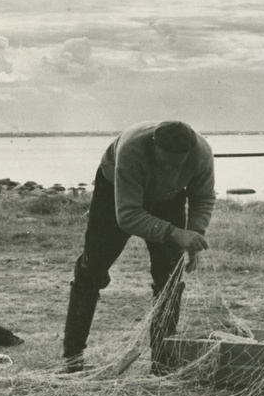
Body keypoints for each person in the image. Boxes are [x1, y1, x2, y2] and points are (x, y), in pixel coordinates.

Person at [62, 120, 215, 374]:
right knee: (91, 271)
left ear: (189, 154)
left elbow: (203, 197)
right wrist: (175, 233)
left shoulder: (202, 154)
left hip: (169, 199)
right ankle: (72, 360)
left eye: (176, 164)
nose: (169, 168)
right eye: (164, 161)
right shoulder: (132, 151)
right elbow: (128, 215)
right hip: (115, 190)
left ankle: (162, 363)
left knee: (170, 280)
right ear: (154, 147)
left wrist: (194, 236)